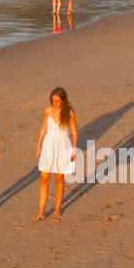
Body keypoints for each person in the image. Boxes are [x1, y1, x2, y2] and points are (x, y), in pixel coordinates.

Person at [34, 87, 78, 221]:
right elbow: (44, 128)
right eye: (53, 101)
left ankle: (58, 209)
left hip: (63, 146)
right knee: (44, 179)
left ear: (63, 101)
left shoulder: (69, 113)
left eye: (58, 101)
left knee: (59, 178)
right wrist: (39, 144)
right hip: (48, 145)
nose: (55, 103)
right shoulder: (47, 111)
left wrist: (74, 149)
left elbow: (75, 132)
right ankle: (41, 212)